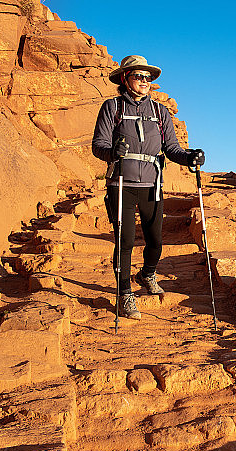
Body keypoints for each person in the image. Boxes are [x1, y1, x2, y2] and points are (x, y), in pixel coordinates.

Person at [92, 55, 204, 319]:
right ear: (125, 79)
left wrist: (189, 158)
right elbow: (98, 145)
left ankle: (147, 274)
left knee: (155, 240)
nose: (145, 81)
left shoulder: (159, 112)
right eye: (139, 76)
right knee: (125, 240)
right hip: (121, 184)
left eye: (148, 77)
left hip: (152, 185)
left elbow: (172, 149)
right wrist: (112, 152)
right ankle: (124, 295)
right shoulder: (112, 108)